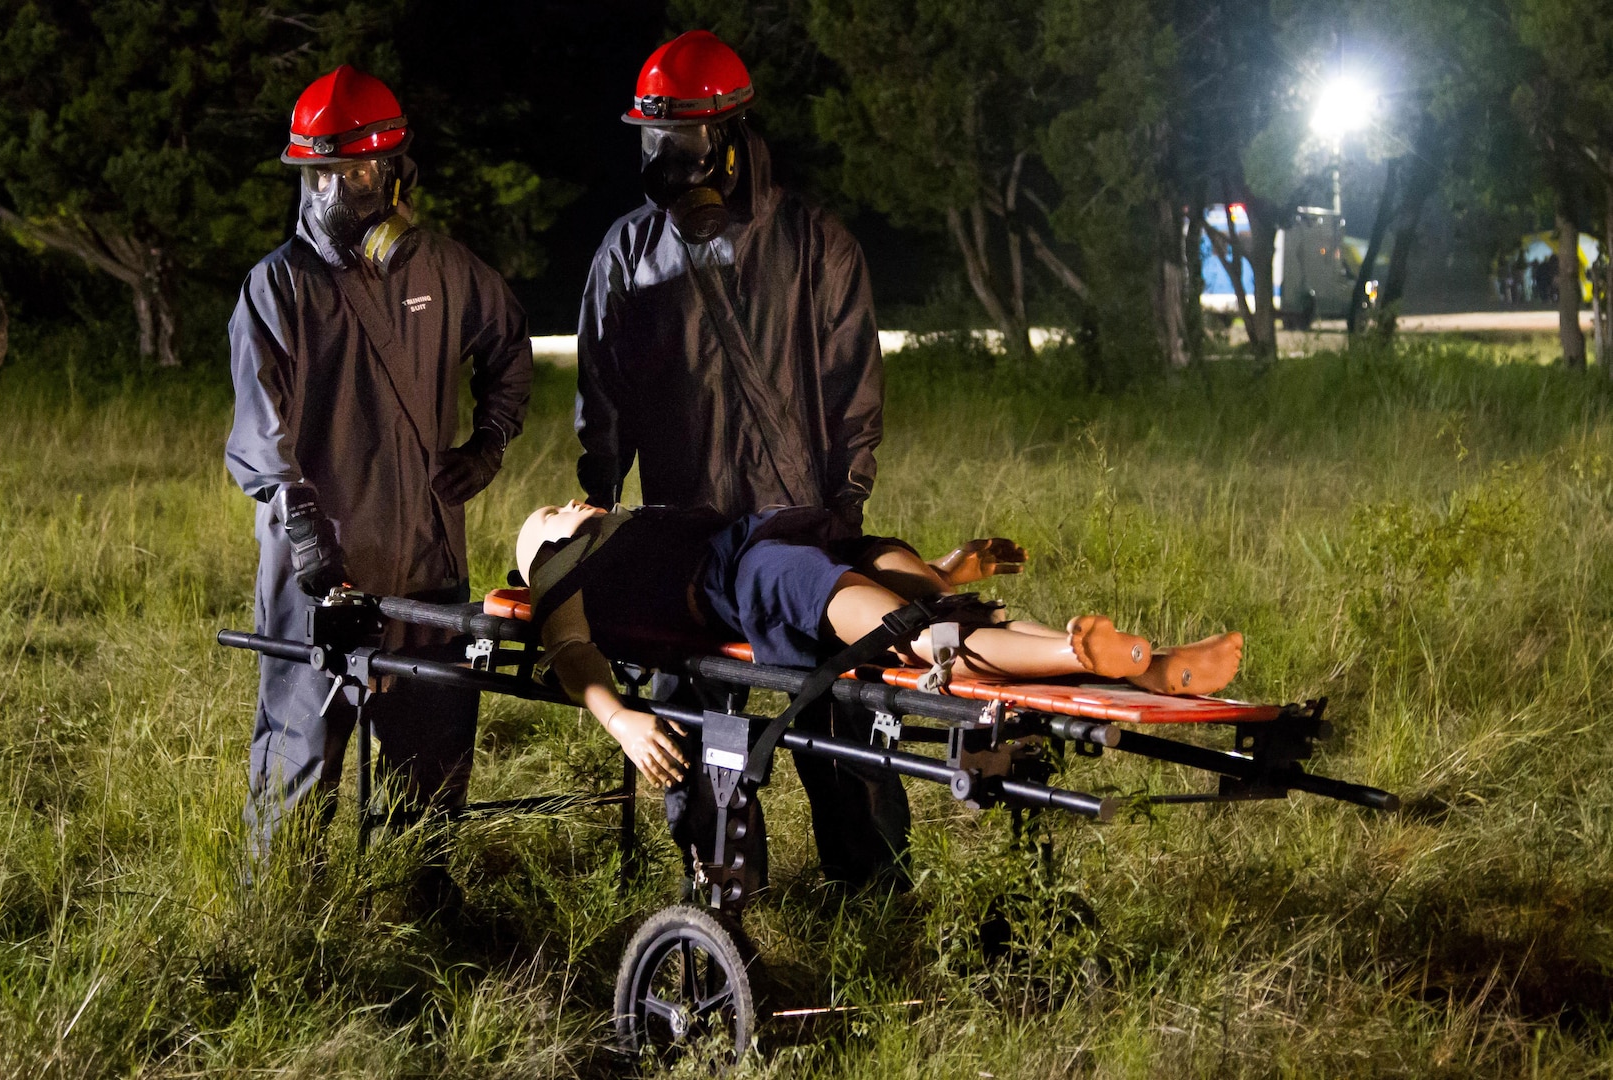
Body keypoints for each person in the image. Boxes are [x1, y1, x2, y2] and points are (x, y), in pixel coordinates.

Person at [574, 31, 902, 887]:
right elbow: (600, 396)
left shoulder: (815, 245)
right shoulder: (627, 254)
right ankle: (719, 880)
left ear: (727, 134)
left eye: (678, 143)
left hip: (796, 529)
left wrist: (843, 510)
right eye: (651, 142)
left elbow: (854, 393)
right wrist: (601, 503)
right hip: (687, 539)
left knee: (842, 718)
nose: (663, 162)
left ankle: (869, 888)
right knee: (690, 721)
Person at [226, 65, 534, 879]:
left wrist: (490, 441)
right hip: (317, 575)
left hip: (427, 560)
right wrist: (309, 544)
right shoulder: (277, 288)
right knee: (298, 756)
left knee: (431, 759)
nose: (338, 191)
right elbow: (262, 434)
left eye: (356, 172)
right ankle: (281, 921)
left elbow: (510, 347)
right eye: (321, 173)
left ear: (397, 173)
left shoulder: (448, 271)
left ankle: (422, 905)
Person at [513, 502, 1245, 788]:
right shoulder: (564, 566)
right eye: (550, 510)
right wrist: (623, 721)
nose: (569, 503)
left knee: (947, 607)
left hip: (787, 542)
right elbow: (572, 649)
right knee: (921, 636)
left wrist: (949, 564)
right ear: (546, 543)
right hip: (753, 576)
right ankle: (1083, 654)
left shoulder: (619, 526)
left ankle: (1146, 662)